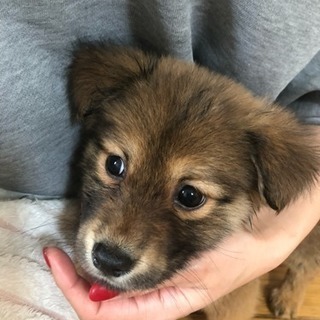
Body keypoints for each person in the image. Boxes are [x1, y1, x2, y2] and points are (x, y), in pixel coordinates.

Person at [1, 1, 320, 319]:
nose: (120, 234)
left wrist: (277, 239)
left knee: (307, 253)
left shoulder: (269, 151)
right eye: (116, 166)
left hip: (285, 230)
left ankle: (301, 278)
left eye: (190, 196)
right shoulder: (120, 84)